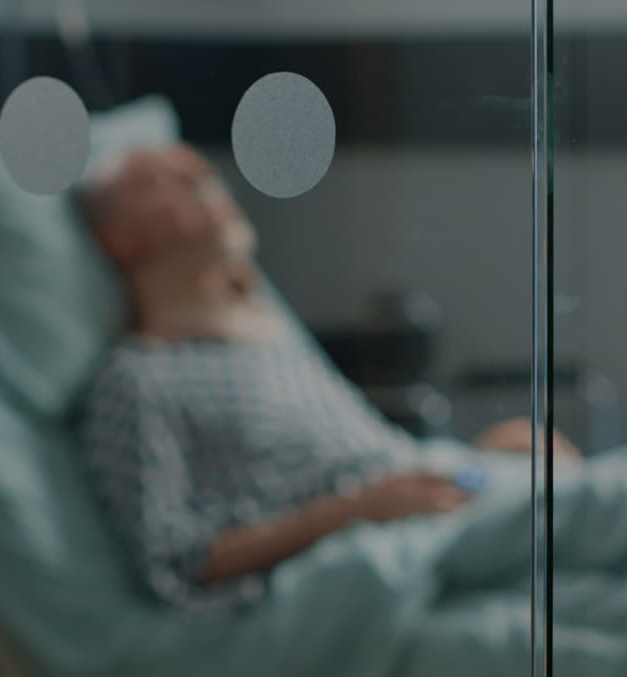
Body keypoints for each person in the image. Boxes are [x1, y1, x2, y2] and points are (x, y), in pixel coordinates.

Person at [73, 143, 577, 613]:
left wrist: (480, 456)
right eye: (152, 182)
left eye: (194, 168)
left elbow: (365, 460)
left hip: (429, 495)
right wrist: (348, 513)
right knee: (621, 503)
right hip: (366, 553)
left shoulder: (274, 346)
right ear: (117, 239)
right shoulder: (137, 381)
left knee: (611, 489)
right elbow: (174, 562)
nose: (197, 173)